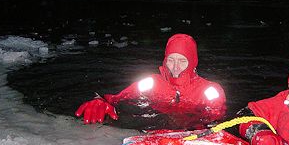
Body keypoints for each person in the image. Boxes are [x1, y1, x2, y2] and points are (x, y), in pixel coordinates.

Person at [76, 33, 226, 129]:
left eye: (182, 61)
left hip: (191, 135)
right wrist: (100, 101)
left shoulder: (210, 90)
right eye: (171, 60)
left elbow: (217, 119)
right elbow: (117, 99)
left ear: (192, 62)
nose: (175, 67)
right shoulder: (151, 83)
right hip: (154, 129)